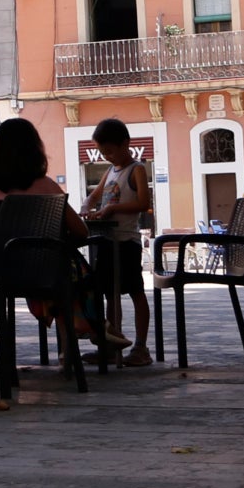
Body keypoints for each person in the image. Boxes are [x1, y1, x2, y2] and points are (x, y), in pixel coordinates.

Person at [0, 118, 125, 348]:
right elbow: (81, 232)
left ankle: (88, 330)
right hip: (45, 272)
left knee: (65, 269)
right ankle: (89, 330)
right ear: (35, 150)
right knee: (73, 270)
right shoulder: (47, 186)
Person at [83, 119, 155, 366]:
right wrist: (87, 207)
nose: (107, 157)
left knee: (135, 292)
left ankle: (141, 347)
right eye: (103, 153)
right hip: (106, 241)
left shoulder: (136, 169)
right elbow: (94, 195)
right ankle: (113, 344)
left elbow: (143, 203)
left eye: (111, 151)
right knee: (110, 295)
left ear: (126, 144)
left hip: (127, 241)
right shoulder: (110, 171)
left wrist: (112, 207)